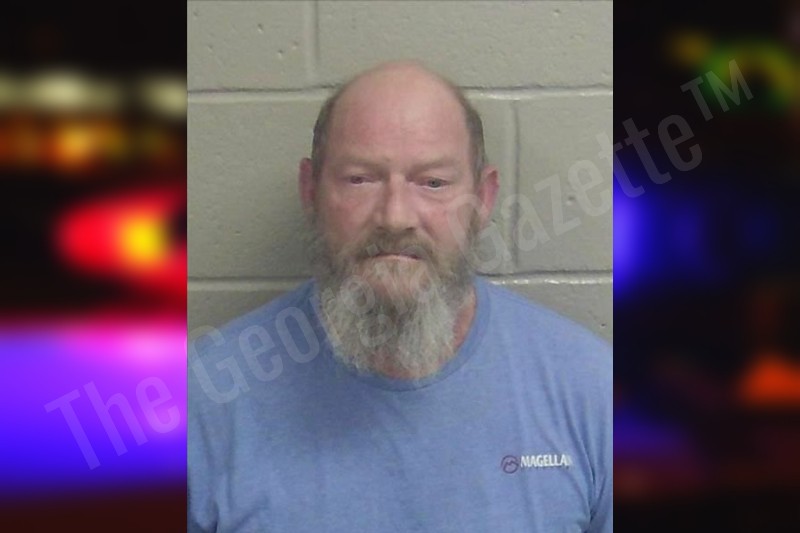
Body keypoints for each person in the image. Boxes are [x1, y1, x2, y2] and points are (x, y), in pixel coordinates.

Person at [188, 61, 612, 532]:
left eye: (433, 182)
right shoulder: (203, 401)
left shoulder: (592, 392)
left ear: (484, 198)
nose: (395, 217)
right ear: (311, 191)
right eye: (360, 179)